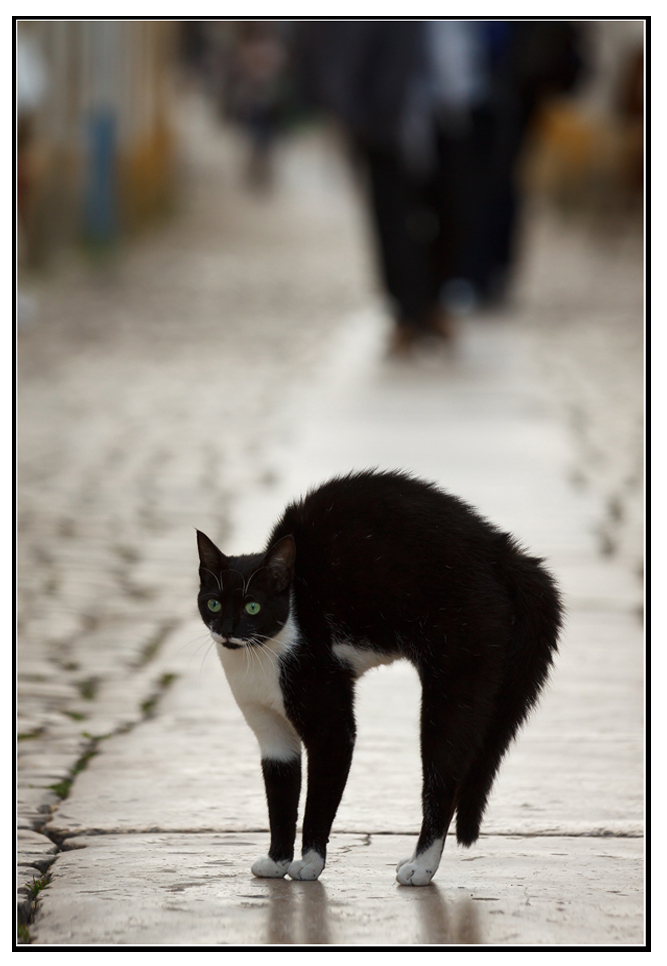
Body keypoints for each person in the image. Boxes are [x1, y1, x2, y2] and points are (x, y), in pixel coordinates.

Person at [296, 21, 584, 353]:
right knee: (394, 216)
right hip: (389, 112)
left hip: (466, 109)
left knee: (461, 209)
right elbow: (344, 37)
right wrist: (349, 106)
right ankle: (407, 311)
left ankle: (437, 299)